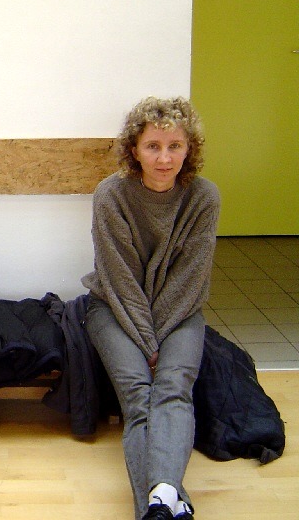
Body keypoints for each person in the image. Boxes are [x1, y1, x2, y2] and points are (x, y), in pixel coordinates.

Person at [81, 97, 221, 520]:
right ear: (134, 150)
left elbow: (189, 280)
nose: (165, 158)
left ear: (189, 149)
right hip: (113, 310)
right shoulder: (111, 195)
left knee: (174, 387)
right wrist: (148, 343)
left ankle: (157, 504)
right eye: (153, 146)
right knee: (139, 395)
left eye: (175, 146)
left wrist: (158, 339)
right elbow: (120, 280)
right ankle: (167, 500)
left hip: (180, 313)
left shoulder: (203, 197)